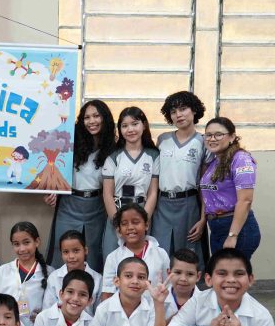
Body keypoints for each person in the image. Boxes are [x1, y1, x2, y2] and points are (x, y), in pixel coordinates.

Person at [45, 100, 115, 270]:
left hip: (97, 207)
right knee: (63, 250)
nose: (92, 121)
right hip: (69, 204)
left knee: (94, 253)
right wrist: (51, 189)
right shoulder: (71, 142)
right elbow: (53, 165)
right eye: (87, 117)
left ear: (105, 118)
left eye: (96, 116)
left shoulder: (113, 147)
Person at [152, 92, 208, 265]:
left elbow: (205, 185)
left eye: (183, 109)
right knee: (160, 254)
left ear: (194, 111)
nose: (179, 115)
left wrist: (203, 218)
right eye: (174, 111)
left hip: (189, 204)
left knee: (188, 256)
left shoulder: (203, 142)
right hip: (162, 205)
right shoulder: (163, 139)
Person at [102, 106, 160, 259]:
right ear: (120, 129)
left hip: (142, 211)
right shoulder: (113, 156)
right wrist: (117, 224)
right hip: (117, 211)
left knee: (141, 260)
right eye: (125, 125)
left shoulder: (153, 155)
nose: (130, 129)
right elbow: (107, 194)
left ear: (144, 125)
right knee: (113, 258)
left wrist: (144, 220)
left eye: (135, 124)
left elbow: (153, 192)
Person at [200, 117, 261, 259]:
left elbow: (245, 200)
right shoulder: (215, 161)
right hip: (216, 226)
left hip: (236, 227)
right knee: (222, 277)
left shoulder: (241, 159)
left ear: (232, 137)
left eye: (218, 134)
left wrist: (232, 236)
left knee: (234, 277)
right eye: (208, 135)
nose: (212, 139)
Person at [0, 222, 53, 326]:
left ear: (37, 242)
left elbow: (53, 307)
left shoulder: (50, 273)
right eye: (16, 244)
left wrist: (43, 315)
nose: (22, 249)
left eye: (26, 242)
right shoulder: (4, 270)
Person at [101, 204, 169, 300]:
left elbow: (168, 286)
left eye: (135, 222)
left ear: (146, 225)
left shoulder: (161, 254)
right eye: (124, 224)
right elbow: (108, 293)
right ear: (119, 230)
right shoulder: (113, 257)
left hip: (155, 311)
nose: (130, 227)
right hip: (123, 313)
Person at [43, 230, 102, 313]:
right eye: (66, 252)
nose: (71, 256)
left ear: (85, 250)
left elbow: (100, 313)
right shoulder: (54, 277)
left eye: (76, 251)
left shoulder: (97, 279)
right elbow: (47, 309)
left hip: (88, 325)